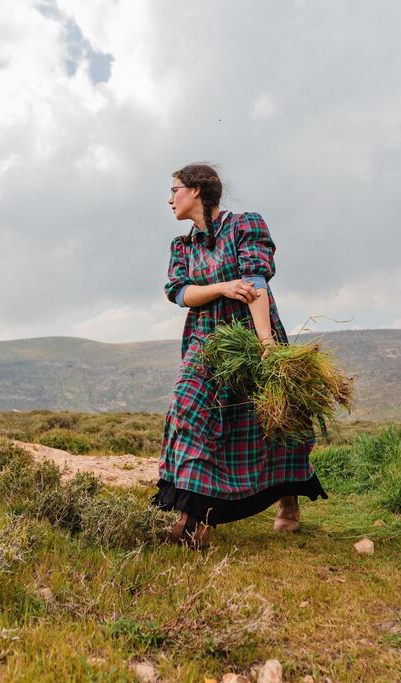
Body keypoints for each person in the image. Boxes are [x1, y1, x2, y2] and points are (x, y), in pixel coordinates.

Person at [152, 163, 328, 549]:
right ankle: (195, 515)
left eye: (174, 190)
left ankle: (289, 499)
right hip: (205, 340)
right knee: (189, 408)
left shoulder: (245, 225)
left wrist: (267, 346)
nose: (170, 198)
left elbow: (256, 282)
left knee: (275, 418)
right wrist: (221, 286)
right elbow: (180, 293)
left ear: (196, 190)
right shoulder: (183, 246)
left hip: (251, 330)